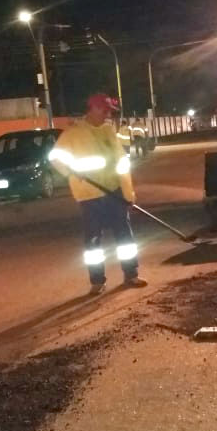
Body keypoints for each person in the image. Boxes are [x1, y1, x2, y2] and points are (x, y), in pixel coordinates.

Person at [49, 94, 147, 295]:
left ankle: (131, 274)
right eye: (105, 110)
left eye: (110, 111)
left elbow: (121, 164)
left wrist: (128, 194)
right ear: (92, 108)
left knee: (124, 236)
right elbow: (55, 157)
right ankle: (97, 281)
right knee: (93, 240)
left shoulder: (109, 131)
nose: (108, 114)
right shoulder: (73, 133)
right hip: (89, 195)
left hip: (114, 192)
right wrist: (71, 171)